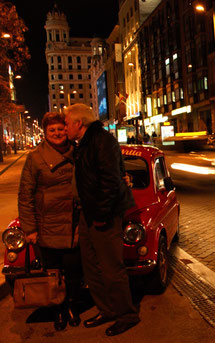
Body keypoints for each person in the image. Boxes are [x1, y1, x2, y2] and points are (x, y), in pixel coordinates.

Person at [64, 104, 140, 337]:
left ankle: (126, 315)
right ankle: (107, 310)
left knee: (111, 268)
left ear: (79, 123)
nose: (65, 128)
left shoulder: (102, 141)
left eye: (67, 123)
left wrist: (102, 216)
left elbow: (111, 182)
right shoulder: (84, 143)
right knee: (92, 266)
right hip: (89, 213)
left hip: (102, 214)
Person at [18, 112, 82, 331]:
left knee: (74, 272)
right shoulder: (35, 158)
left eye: (60, 128)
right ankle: (59, 310)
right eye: (51, 130)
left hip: (74, 225)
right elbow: (25, 195)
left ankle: (72, 306)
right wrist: (30, 229)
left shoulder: (78, 152)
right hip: (48, 227)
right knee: (53, 274)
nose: (57, 133)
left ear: (67, 129)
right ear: (45, 133)